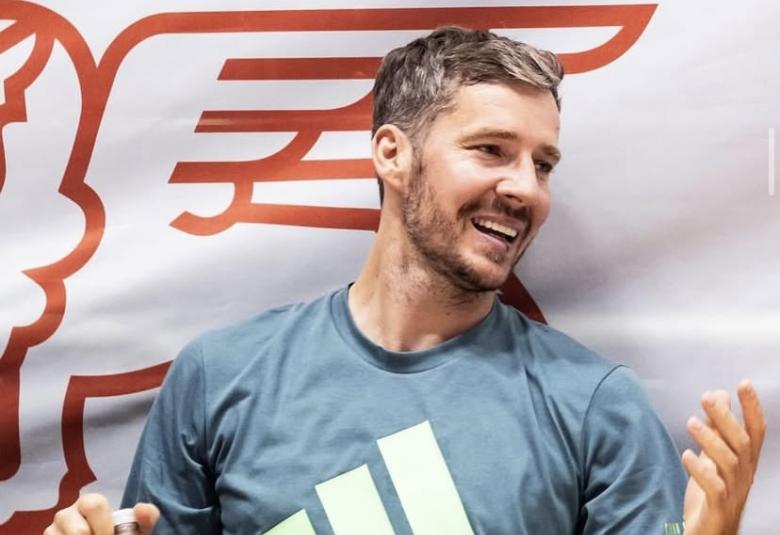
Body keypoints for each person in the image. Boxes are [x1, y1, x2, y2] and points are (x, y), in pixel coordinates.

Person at [45, 27, 765, 535]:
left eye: (542, 164)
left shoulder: (597, 407)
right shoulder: (220, 376)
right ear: (392, 153)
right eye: (492, 150)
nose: (526, 188)